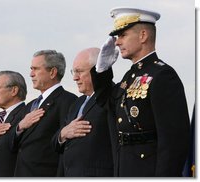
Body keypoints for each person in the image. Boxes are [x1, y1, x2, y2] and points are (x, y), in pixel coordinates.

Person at [91, 7, 190, 177]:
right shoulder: (130, 76)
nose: (117, 42)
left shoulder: (162, 75)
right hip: (126, 168)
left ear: (143, 35)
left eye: (123, 35)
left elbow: (174, 142)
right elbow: (106, 102)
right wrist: (102, 71)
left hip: (148, 170)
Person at [11, 50, 77, 177]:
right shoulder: (30, 105)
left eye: (35, 69)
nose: (31, 74)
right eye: (31, 69)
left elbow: (66, 149)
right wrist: (20, 127)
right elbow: (12, 145)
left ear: (52, 72)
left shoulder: (67, 101)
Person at [52, 48, 114, 177]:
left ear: (96, 70)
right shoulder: (77, 103)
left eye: (79, 71)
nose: (75, 78)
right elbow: (55, 144)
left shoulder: (111, 96)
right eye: (73, 72)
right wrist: (63, 134)